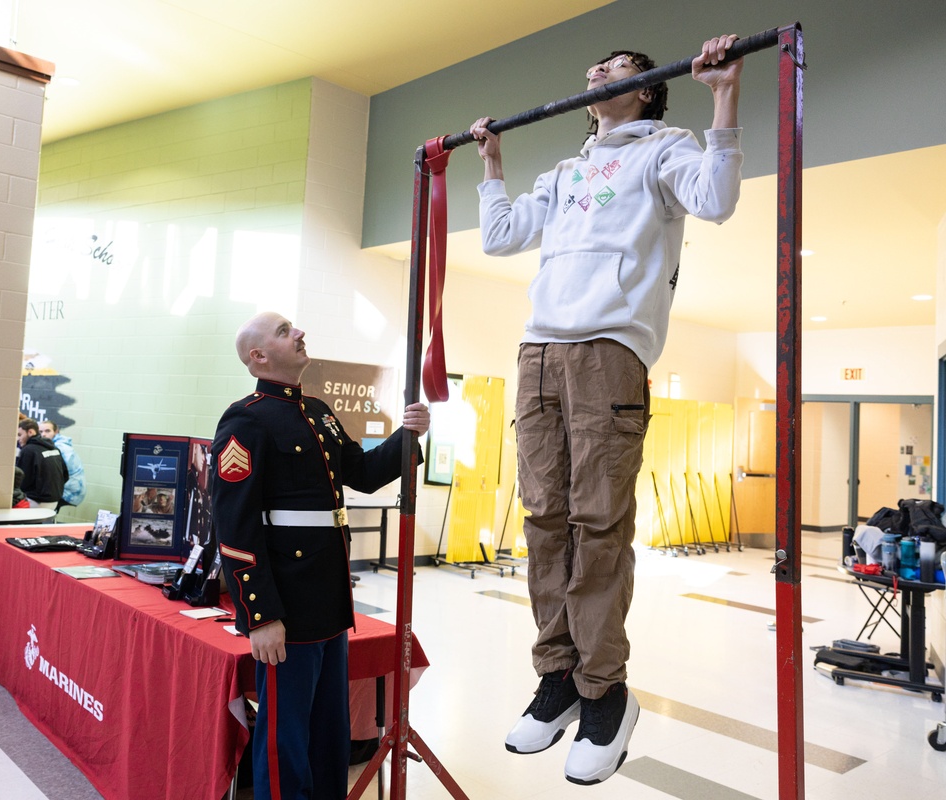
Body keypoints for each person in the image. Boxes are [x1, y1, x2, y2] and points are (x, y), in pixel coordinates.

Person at [469, 35, 744, 785]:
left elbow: (716, 199)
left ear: (649, 90)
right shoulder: (566, 172)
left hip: (607, 352)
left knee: (597, 523)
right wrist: (491, 163)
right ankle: (557, 675)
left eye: (619, 68)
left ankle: (604, 693)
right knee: (543, 520)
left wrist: (722, 95)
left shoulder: (665, 149)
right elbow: (498, 236)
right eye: (592, 67)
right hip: (538, 354)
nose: (597, 72)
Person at [210, 311, 430, 800]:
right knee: (285, 738)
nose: (301, 332)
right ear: (258, 356)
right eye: (285, 331)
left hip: (330, 602)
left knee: (329, 737)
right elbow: (235, 527)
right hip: (285, 605)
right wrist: (260, 615)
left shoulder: (319, 411)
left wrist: (408, 436)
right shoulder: (246, 419)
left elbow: (364, 473)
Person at [16, 419, 69, 509]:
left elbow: (22, 482)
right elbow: (65, 475)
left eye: (20, 435)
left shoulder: (28, 450)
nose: (18, 439)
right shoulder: (54, 448)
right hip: (55, 501)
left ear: (30, 432)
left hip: (37, 500)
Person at [40, 420, 87, 509]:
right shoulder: (60, 445)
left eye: (47, 431)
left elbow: (57, 474)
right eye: (41, 432)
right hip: (74, 490)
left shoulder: (59, 448)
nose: (43, 435)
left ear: (56, 431)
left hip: (71, 492)